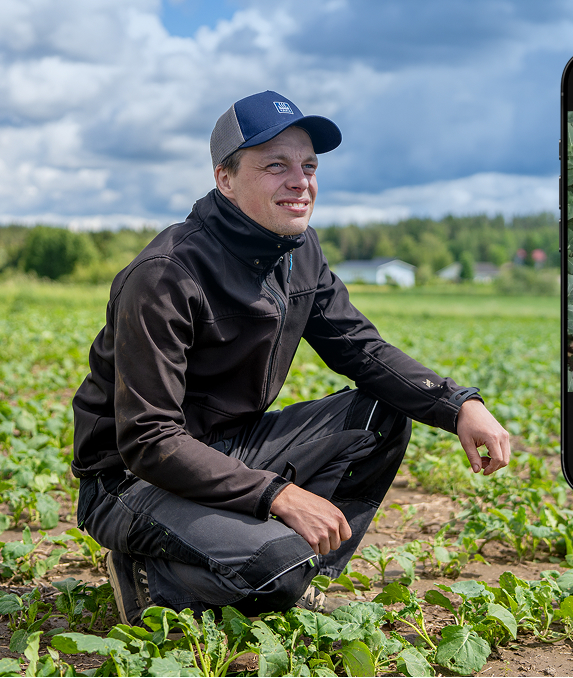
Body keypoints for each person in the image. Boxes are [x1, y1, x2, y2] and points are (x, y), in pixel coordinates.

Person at [71, 91, 511, 625]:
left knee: (384, 413)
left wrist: (458, 404)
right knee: (277, 560)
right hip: (131, 480)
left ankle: (292, 583)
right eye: (275, 165)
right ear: (225, 179)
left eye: (308, 166)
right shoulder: (166, 275)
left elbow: (361, 349)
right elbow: (149, 440)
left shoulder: (298, 252)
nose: (300, 181)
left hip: (229, 449)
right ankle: (149, 578)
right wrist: (275, 495)